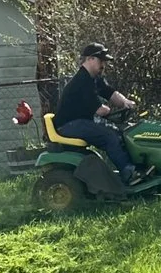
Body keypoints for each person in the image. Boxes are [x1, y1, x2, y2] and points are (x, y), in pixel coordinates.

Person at [54, 43, 153, 186]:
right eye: (101, 61)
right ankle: (129, 173)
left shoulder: (93, 78)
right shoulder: (82, 81)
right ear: (90, 59)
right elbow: (100, 110)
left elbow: (109, 92)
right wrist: (110, 110)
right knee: (109, 136)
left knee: (119, 132)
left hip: (80, 122)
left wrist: (126, 103)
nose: (103, 65)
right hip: (68, 125)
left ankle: (134, 169)